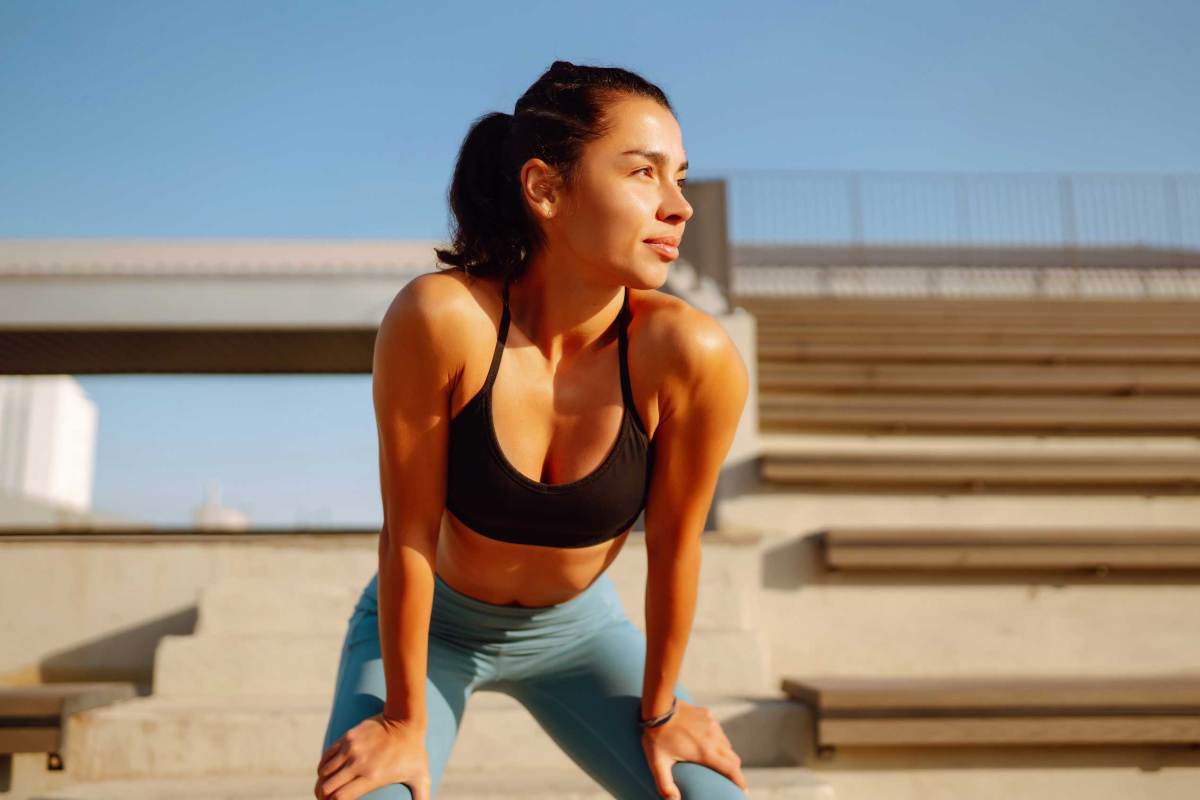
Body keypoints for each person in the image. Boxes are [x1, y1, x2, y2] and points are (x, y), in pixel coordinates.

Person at [314, 60, 751, 800]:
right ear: (546, 188)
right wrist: (403, 720)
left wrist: (662, 710)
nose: (679, 205)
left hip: (580, 636)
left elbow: (677, 548)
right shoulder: (444, 320)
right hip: (434, 631)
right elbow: (408, 535)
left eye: (679, 176)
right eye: (644, 173)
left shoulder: (691, 356)